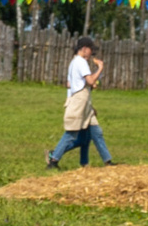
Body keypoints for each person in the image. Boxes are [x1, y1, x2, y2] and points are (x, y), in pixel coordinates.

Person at [47, 37, 114, 167]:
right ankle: (53, 160)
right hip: (79, 100)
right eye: (90, 50)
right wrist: (100, 68)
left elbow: (71, 83)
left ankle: (106, 161)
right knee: (71, 133)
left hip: (83, 100)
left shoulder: (74, 62)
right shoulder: (81, 62)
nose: (91, 53)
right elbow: (90, 81)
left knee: (95, 132)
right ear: (84, 49)